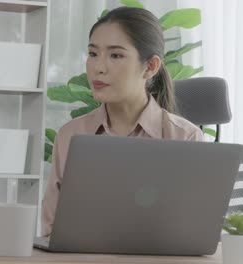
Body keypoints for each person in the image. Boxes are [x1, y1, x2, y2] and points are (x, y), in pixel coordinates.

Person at [41, 6, 203, 236]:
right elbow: (52, 229)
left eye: (115, 55)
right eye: (93, 54)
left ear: (150, 67)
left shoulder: (184, 137)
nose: (98, 68)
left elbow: (192, 230)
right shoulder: (71, 135)